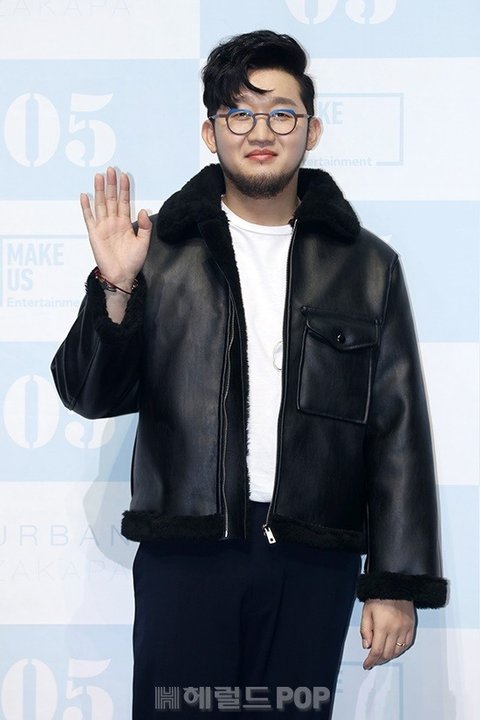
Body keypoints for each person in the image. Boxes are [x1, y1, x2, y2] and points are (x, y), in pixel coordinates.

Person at [51, 30, 447, 719]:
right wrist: (116, 288)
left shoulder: (366, 265)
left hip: (312, 559)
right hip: (189, 553)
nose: (261, 132)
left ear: (311, 130)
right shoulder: (158, 251)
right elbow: (88, 394)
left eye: (281, 114)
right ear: (211, 132)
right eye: (239, 113)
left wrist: (396, 582)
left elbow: (398, 428)